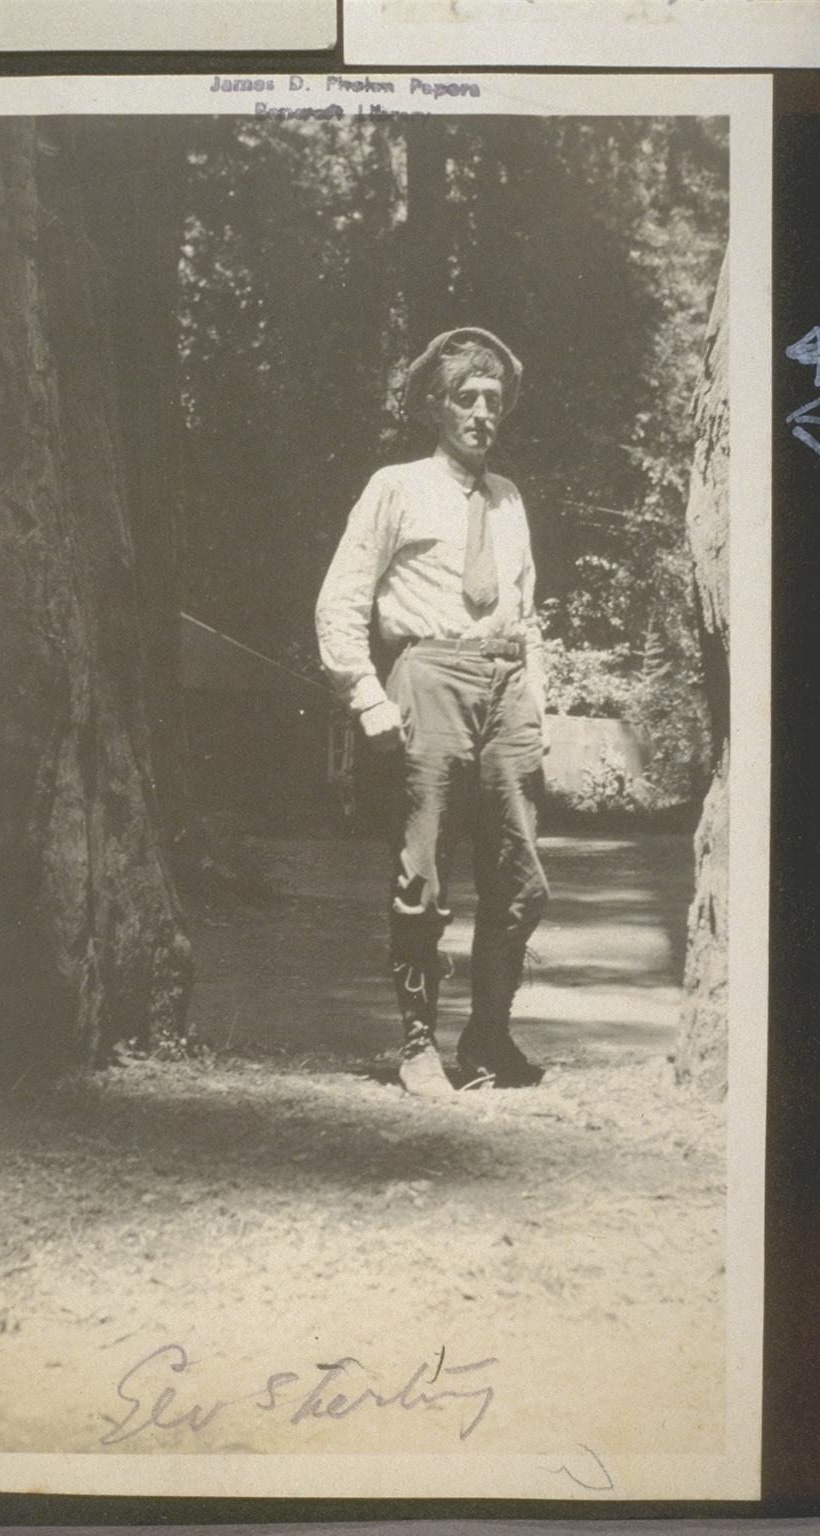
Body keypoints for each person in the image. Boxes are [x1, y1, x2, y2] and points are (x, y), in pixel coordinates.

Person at [315, 327, 550, 1098]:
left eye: (493, 399)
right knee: (423, 873)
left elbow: (524, 609)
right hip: (429, 677)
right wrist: (365, 693)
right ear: (434, 408)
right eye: (466, 398)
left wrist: (535, 698)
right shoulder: (397, 487)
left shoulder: (508, 499)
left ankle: (488, 1039)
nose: (482, 413)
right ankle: (418, 1045)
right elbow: (341, 599)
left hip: (506, 685)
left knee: (521, 876)